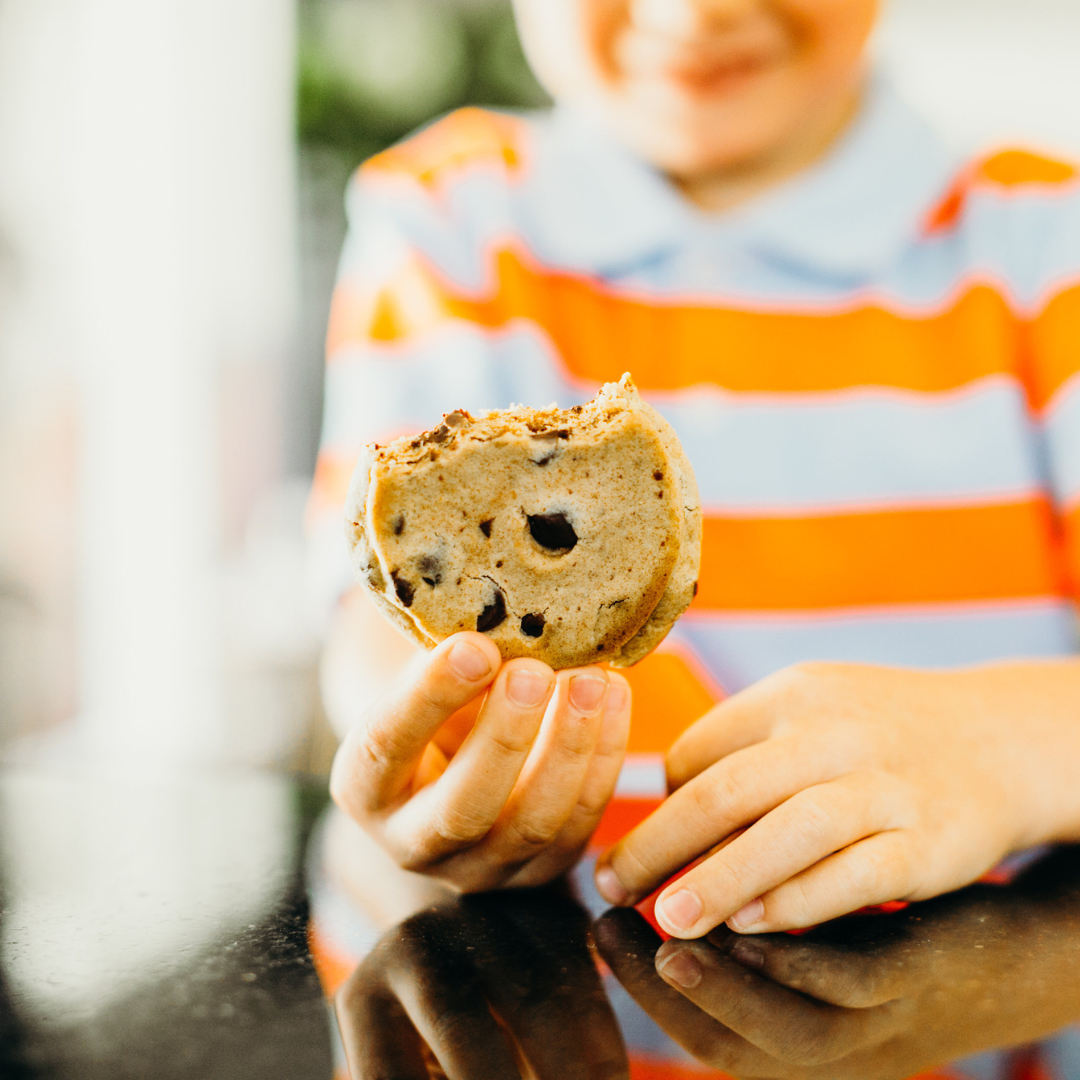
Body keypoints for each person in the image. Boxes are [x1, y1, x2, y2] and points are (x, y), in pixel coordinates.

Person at [306, 0, 1080, 1075]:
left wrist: (1015, 746)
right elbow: (377, 613)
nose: (695, 11)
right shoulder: (450, 219)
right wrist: (432, 754)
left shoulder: (1048, 241)